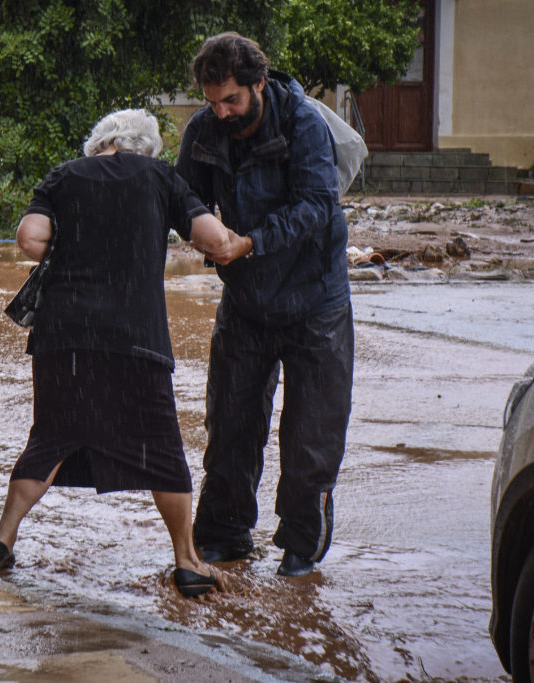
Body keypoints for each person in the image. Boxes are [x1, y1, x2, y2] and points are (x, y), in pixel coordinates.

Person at [0, 109, 232, 598]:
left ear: (102, 143)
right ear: (145, 147)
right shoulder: (160, 177)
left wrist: (80, 242)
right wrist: (236, 243)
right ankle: (188, 561)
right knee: (161, 447)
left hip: (62, 337)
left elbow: (29, 239)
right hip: (134, 339)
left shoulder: (64, 176)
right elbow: (211, 238)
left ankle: (1, 540)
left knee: (50, 438)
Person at [175, 32, 354, 577]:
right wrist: (199, 232)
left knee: (310, 437)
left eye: (231, 99)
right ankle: (225, 538)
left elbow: (318, 205)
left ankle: (300, 550)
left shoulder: (302, 123)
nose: (221, 112)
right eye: (212, 102)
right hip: (246, 298)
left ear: (257, 84)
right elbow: (182, 198)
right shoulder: (205, 129)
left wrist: (248, 241)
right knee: (230, 424)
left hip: (316, 299)